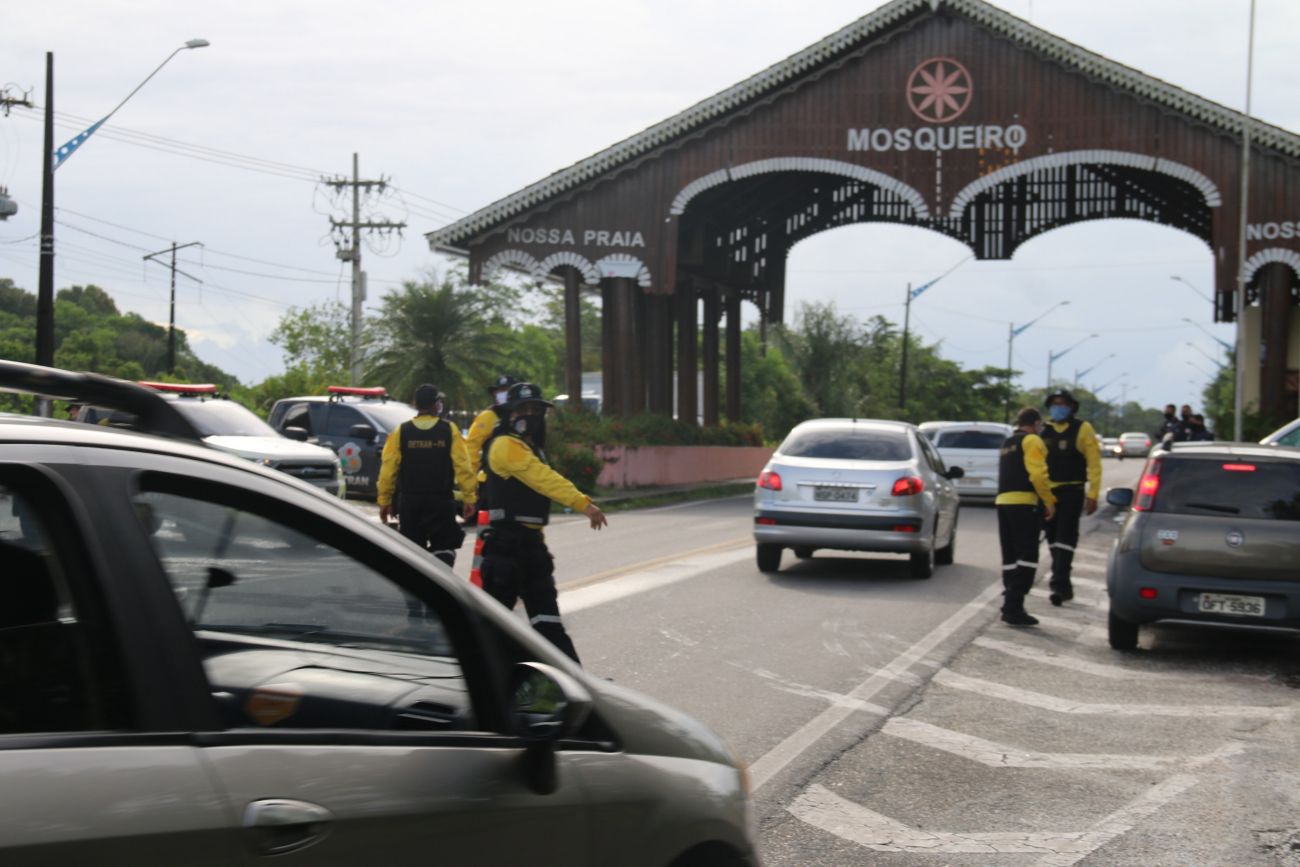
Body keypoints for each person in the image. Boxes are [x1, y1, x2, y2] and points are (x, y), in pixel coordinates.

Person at [480, 382, 606, 663]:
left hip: (531, 548)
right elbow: (542, 478)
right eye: (522, 409)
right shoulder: (506, 445)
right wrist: (583, 504)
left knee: (548, 624)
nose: (531, 415)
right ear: (509, 415)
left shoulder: (528, 448)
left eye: (535, 410)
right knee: (492, 629)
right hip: (506, 549)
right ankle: (484, 688)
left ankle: (573, 689)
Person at [377, 384, 477, 573]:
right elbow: (463, 466)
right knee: (445, 550)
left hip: (410, 504)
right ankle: (440, 586)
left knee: (413, 558)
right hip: (441, 503)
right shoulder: (449, 430)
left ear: (415, 404)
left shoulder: (401, 431)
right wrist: (469, 498)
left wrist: (384, 501)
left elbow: (388, 470)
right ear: (436, 405)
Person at [995, 407, 1057, 626]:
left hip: (1003, 502)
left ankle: (1012, 603)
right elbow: (1038, 474)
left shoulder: (1007, 443)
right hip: (1024, 503)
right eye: (1040, 425)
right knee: (1028, 555)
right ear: (1036, 423)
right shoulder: (1031, 441)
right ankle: (1013, 604)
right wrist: (1048, 500)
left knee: (1010, 556)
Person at [1041, 388, 1102, 606]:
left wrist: (1093, 494)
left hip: (1072, 492)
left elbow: (1094, 464)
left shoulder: (1082, 429)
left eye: (1063, 404)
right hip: (1048, 495)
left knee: (1065, 538)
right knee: (1051, 539)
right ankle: (1063, 582)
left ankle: (1059, 583)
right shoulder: (1043, 430)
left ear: (1071, 407)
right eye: (1055, 404)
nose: (1059, 408)